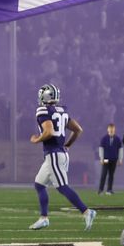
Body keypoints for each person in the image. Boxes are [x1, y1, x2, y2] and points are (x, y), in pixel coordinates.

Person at [29, 84, 96, 231]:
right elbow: (78, 129)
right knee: (39, 185)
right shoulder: (62, 110)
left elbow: (49, 132)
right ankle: (44, 218)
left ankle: (86, 211)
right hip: (57, 154)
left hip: (53, 154)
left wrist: (36, 139)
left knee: (62, 187)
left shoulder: (42, 110)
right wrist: (68, 145)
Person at [97, 123, 122, 196]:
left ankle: (109, 190)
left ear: (114, 130)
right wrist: (101, 158)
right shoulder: (104, 138)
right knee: (104, 174)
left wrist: (120, 159)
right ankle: (100, 190)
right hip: (106, 159)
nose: (111, 130)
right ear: (108, 129)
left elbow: (120, 149)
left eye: (112, 129)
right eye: (110, 129)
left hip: (114, 159)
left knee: (111, 175)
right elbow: (101, 149)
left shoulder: (117, 139)